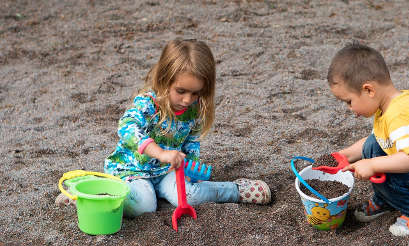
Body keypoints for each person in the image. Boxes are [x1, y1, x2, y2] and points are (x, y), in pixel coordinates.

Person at [57, 39, 271, 216]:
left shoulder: (195, 109)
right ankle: (89, 193)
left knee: (189, 196)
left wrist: (189, 166)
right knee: (143, 206)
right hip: (134, 170)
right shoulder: (148, 103)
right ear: (164, 80)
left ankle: (236, 190)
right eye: (181, 91)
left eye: (195, 93)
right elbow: (126, 128)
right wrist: (159, 152)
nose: (188, 100)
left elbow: (191, 142)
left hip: (168, 171)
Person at [326, 41, 409, 236]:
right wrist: (343, 155)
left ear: (369, 90)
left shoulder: (400, 115)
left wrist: (372, 164)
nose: (350, 109)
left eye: (349, 101)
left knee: (379, 162)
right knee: (373, 146)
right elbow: (376, 141)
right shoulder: (389, 107)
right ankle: (388, 200)